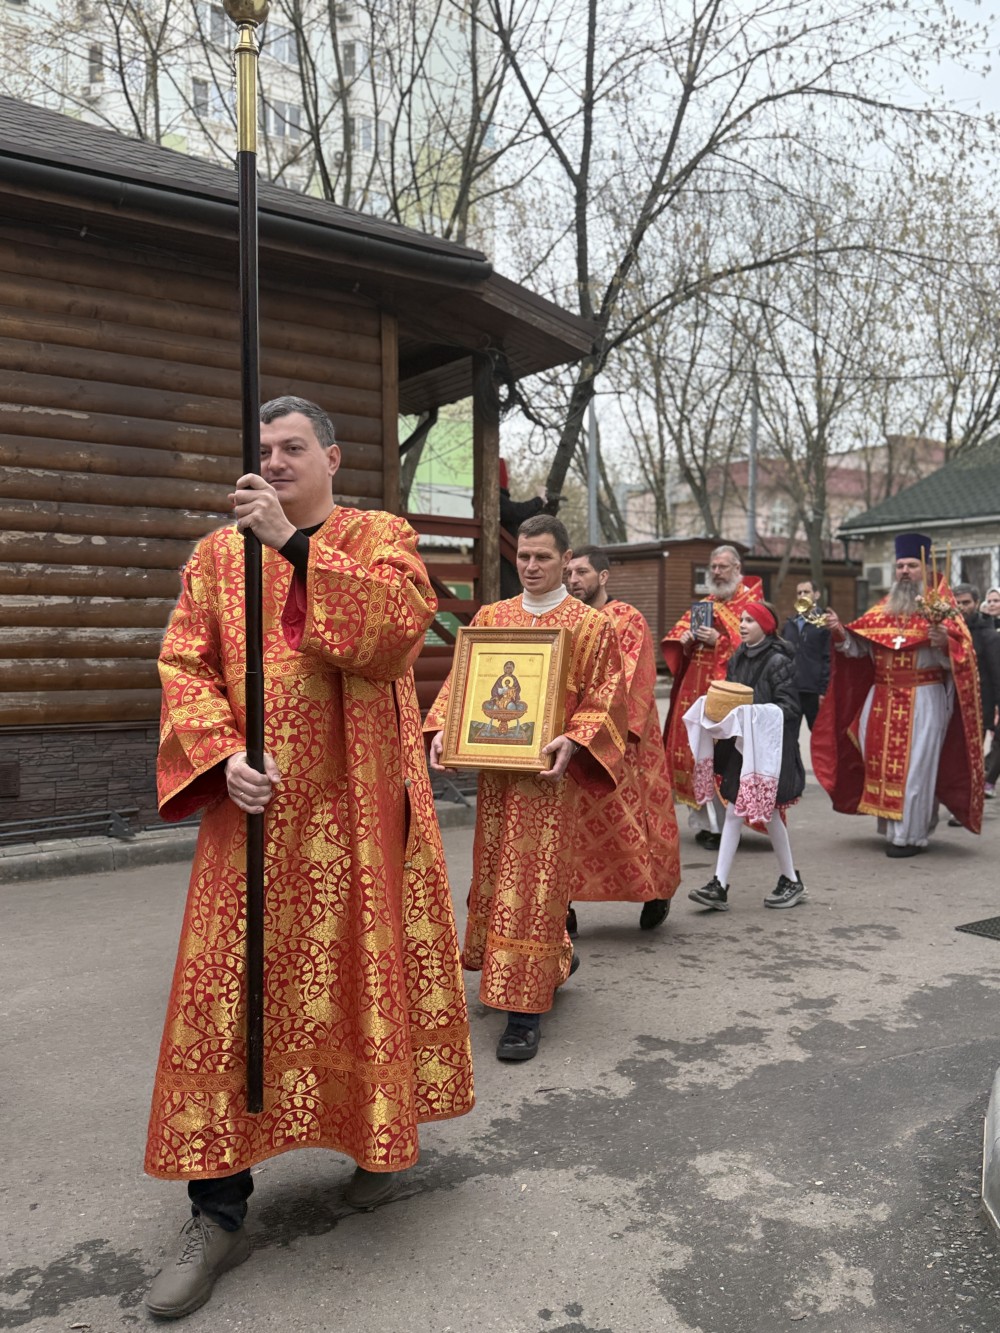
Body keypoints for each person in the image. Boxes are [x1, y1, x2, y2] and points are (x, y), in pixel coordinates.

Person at [145, 397, 474, 1319]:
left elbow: (394, 635)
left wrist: (291, 544)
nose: (276, 460)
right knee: (230, 995)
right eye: (263, 449)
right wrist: (221, 754)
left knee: (359, 979)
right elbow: (184, 664)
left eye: (293, 447)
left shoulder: (380, 537)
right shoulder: (216, 557)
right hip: (254, 820)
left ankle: (374, 1140)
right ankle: (216, 1209)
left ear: (332, 457)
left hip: (358, 815)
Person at [427, 515, 626, 1063]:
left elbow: (606, 698)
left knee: (535, 883)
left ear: (566, 560)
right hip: (497, 777)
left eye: (543, 557)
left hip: (547, 784)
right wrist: (445, 729)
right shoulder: (492, 618)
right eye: (524, 557)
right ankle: (552, 958)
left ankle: (524, 1009)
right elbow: (462, 684)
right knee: (497, 875)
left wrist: (575, 739)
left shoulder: (591, 626)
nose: (531, 566)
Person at [813, 532, 983, 857]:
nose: (905, 571)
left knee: (916, 770)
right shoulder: (883, 609)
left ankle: (911, 836)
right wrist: (838, 632)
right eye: (900, 565)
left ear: (926, 569)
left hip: (923, 698)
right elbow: (858, 649)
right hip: (881, 700)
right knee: (881, 768)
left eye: (911, 565)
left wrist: (944, 644)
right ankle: (892, 829)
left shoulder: (943, 610)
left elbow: (965, 660)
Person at [564, 545, 681, 932]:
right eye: (569, 573)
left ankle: (655, 890)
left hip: (622, 739)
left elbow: (628, 679)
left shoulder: (627, 619)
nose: (573, 580)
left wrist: (592, 721)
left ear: (603, 576)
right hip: (572, 737)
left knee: (633, 819)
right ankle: (562, 905)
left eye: (582, 572)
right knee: (570, 824)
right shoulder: (565, 618)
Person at [685, 602, 807, 911]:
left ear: (766, 626)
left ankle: (782, 880)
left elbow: (791, 708)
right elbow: (732, 697)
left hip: (771, 750)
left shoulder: (779, 661)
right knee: (742, 812)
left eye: (750, 620)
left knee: (760, 812)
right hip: (743, 748)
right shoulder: (739, 655)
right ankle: (724, 884)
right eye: (741, 619)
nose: (742, 624)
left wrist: (753, 715)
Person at [661, 545, 764, 849]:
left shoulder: (752, 605)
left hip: (728, 694)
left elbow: (759, 647)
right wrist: (687, 641)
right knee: (695, 755)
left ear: (737, 569)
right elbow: (677, 643)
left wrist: (720, 640)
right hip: (694, 689)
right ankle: (705, 824)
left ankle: (726, 826)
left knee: (723, 757)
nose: (717, 572)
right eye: (713, 567)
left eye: (723, 567)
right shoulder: (704, 605)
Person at [953, 583, 1000, 801]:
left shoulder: (988, 636)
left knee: (971, 757)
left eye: (966, 603)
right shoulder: (948, 631)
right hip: (951, 703)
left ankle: (968, 800)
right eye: (957, 603)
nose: (962, 607)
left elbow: (996, 674)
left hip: (979, 706)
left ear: (976, 603)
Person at [499, 457, 558, 598]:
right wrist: (539, 500)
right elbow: (516, 512)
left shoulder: (498, 499)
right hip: (503, 556)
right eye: (508, 473)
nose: (510, 477)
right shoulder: (496, 498)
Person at [780, 578, 831, 731]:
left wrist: (823, 690)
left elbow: (828, 659)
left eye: (806, 592)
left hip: (813, 691)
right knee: (789, 736)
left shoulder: (825, 624)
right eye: (799, 593)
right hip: (792, 689)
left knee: (818, 734)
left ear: (817, 595)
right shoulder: (790, 624)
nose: (802, 595)